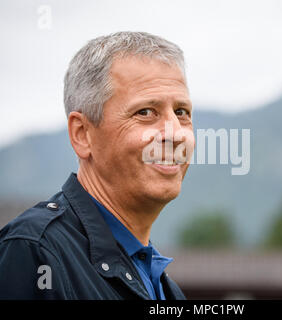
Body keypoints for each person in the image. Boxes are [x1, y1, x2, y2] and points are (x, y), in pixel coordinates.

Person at [0, 31, 195, 299]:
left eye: (182, 112)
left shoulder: (166, 289)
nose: (175, 134)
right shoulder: (35, 253)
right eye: (146, 112)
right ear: (82, 134)